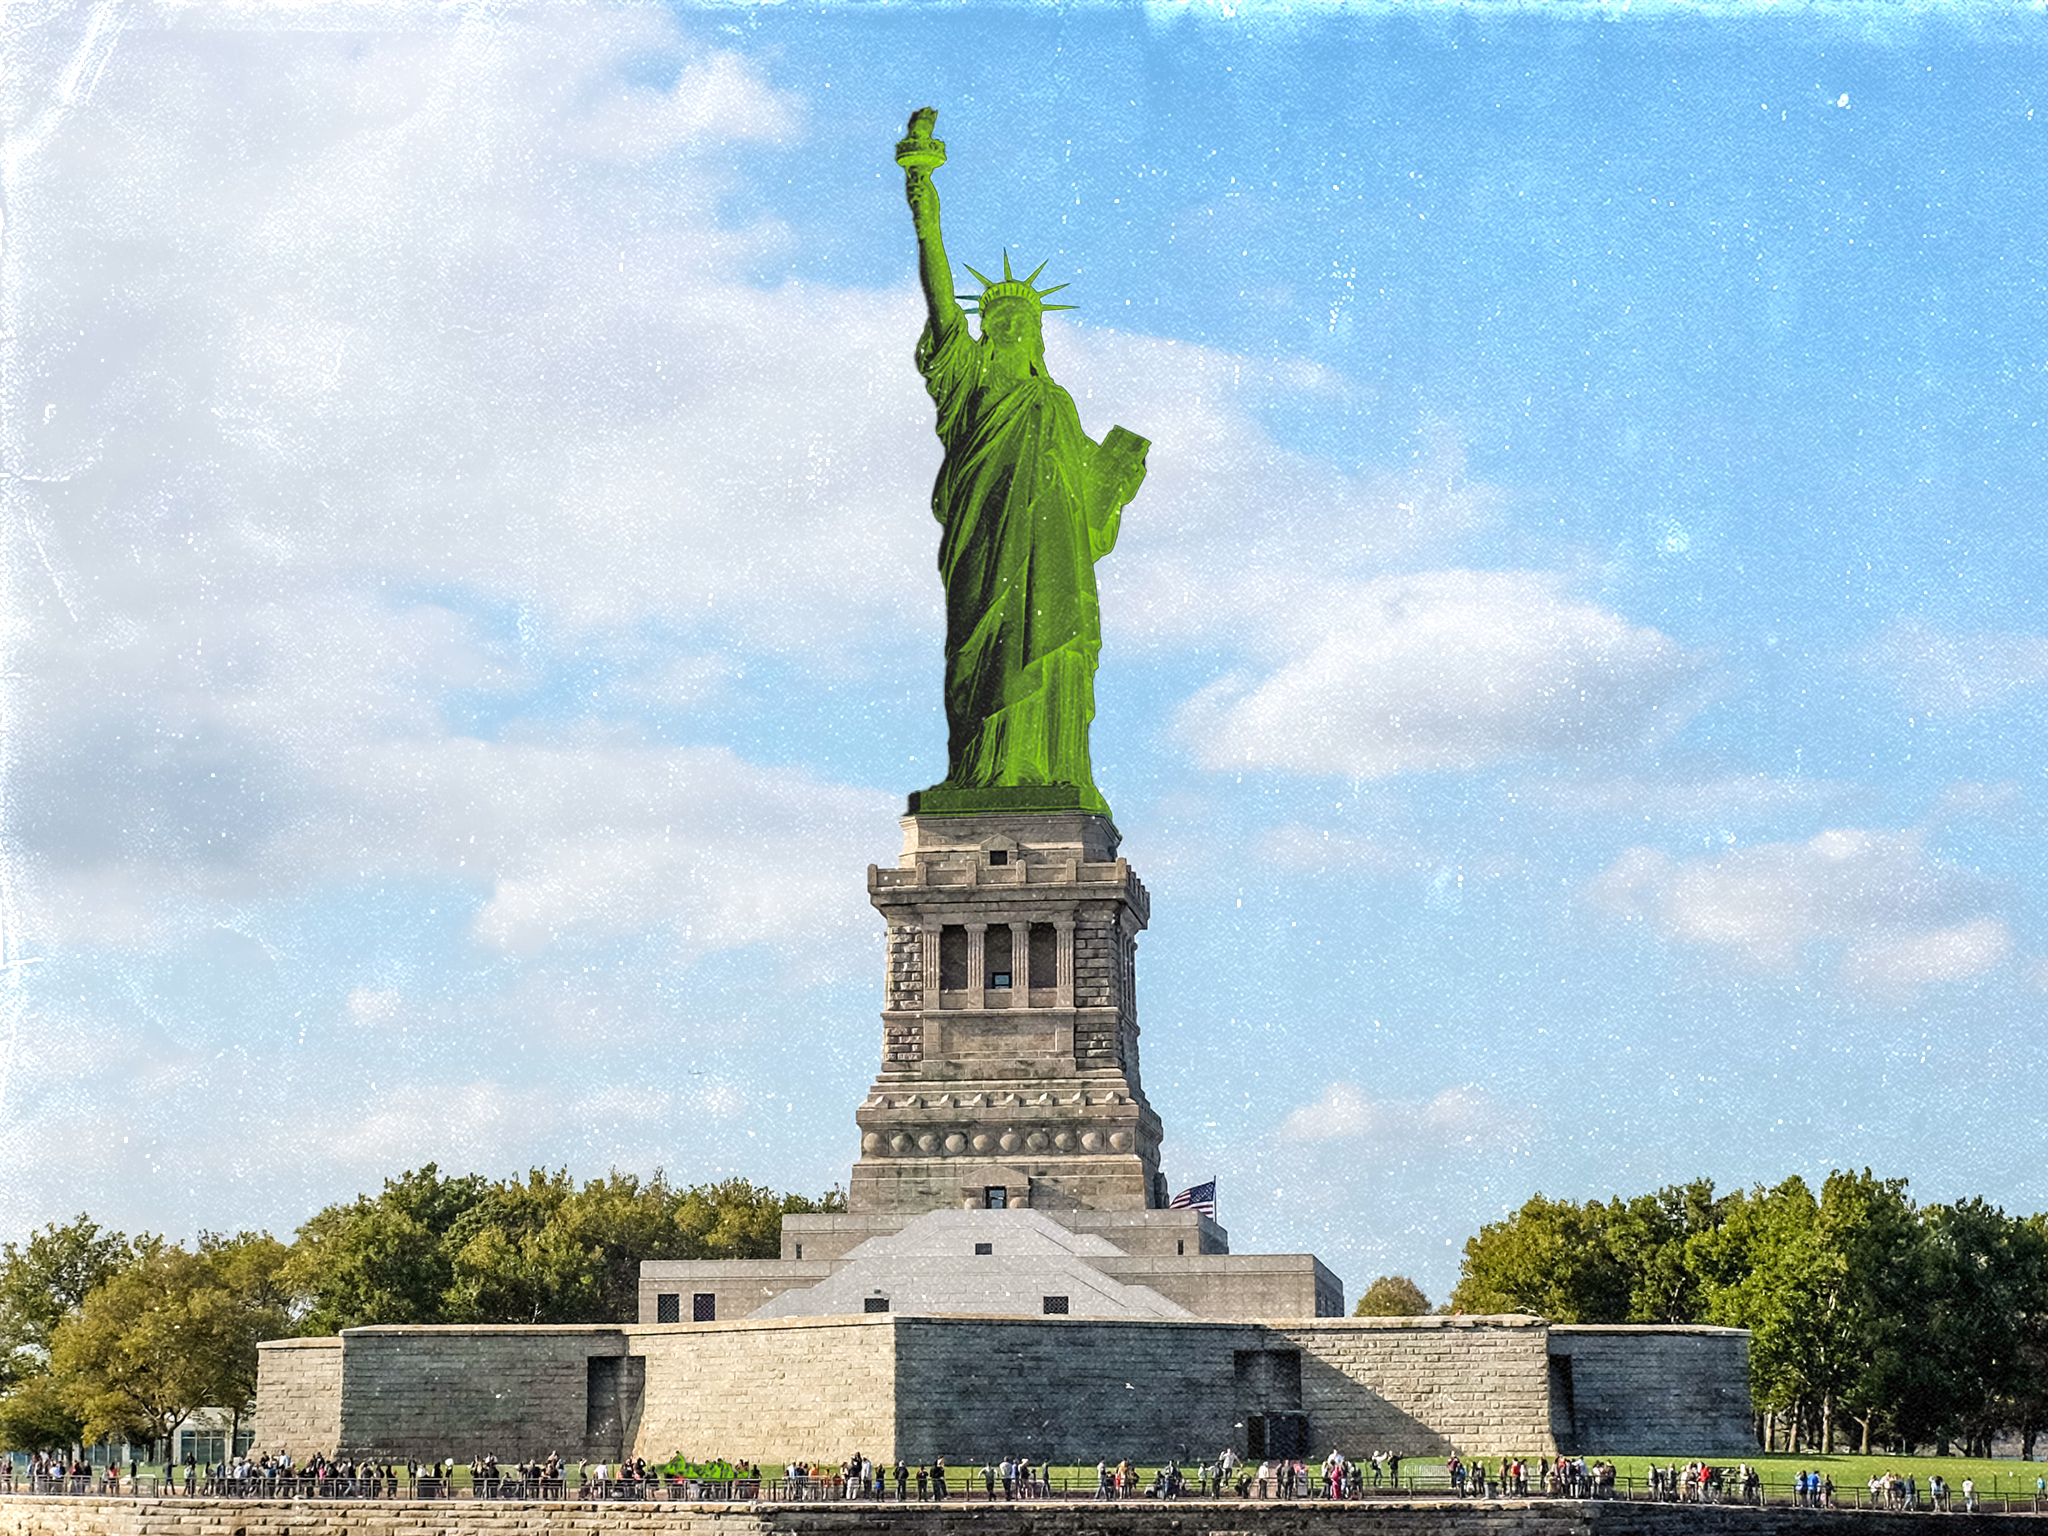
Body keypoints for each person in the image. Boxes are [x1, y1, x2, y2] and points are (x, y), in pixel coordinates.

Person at [897, 108, 1149, 813]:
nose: (1008, 326)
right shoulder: (966, 379)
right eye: (997, 318)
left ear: (1037, 335)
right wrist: (924, 201)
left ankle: (1049, 769)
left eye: (1022, 320)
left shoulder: (1058, 406)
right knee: (980, 658)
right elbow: (941, 298)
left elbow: (1090, 504)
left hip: (1052, 556)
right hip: (984, 541)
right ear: (984, 329)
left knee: (1054, 652)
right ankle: (978, 774)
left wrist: (1117, 478)